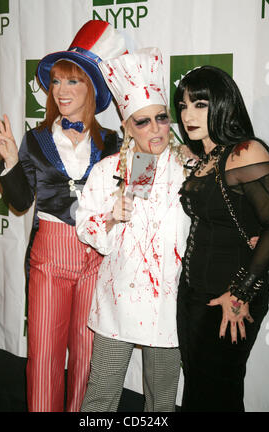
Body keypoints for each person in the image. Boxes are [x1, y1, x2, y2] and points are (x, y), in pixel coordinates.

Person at [0, 20, 127, 412]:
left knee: (86, 358)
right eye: (56, 82)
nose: (61, 91)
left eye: (72, 82)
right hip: (50, 256)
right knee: (45, 358)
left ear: (92, 89)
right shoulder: (35, 139)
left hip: (96, 256)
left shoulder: (114, 143)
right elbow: (20, 202)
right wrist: (10, 163)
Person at [75, 47, 190, 412]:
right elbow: (86, 228)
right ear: (126, 125)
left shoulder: (189, 168)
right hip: (118, 301)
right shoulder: (108, 170)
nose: (155, 129)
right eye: (143, 121)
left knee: (162, 402)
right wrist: (111, 216)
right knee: (100, 398)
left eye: (161, 117)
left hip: (169, 304)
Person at [173, 65, 269, 412]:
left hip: (230, 296)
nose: (187, 114)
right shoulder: (208, 157)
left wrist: (242, 291)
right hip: (193, 294)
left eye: (200, 104)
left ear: (224, 105)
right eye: (183, 105)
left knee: (218, 396)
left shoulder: (245, 152)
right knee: (200, 392)